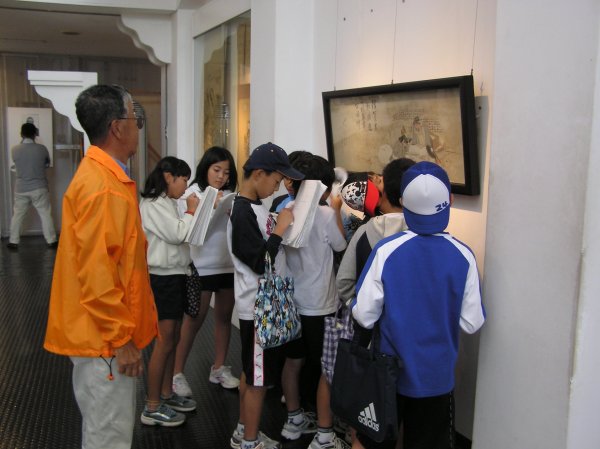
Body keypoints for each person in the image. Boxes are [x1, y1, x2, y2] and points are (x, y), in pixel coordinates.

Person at [43, 84, 158, 449]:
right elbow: (97, 277)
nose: (138, 126)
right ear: (117, 127)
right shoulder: (103, 188)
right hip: (105, 343)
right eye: (134, 118)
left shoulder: (105, 178)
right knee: (109, 436)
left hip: (101, 338)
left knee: (105, 430)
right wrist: (122, 340)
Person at [351, 161, 486, 449]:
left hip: (388, 373)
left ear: (402, 201)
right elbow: (472, 322)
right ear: (450, 200)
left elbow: (364, 315)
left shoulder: (386, 251)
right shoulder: (463, 255)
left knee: (371, 440)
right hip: (437, 377)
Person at [309, 158, 415, 449]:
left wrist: (360, 309)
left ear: (384, 194)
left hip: (365, 332)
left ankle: (340, 435)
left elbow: (344, 281)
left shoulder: (367, 231)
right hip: (407, 337)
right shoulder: (422, 235)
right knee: (398, 402)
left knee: (364, 398)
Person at [227, 142, 304, 449]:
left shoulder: (254, 207)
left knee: (252, 374)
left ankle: (243, 431)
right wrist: (279, 230)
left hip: (263, 306)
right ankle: (249, 442)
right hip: (259, 309)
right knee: (258, 381)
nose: (277, 187)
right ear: (259, 173)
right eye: (276, 180)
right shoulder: (242, 212)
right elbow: (260, 261)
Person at [278, 154, 347, 445]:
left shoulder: (286, 211)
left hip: (293, 302)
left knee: (293, 362)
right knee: (325, 368)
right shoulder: (327, 214)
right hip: (321, 305)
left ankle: (293, 419)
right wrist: (337, 210)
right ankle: (324, 430)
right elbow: (341, 245)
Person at [172, 146, 240, 397]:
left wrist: (232, 212)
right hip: (200, 265)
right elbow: (190, 232)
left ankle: (219, 368)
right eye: (216, 170)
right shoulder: (191, 194)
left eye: (226, 172)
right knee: (193, 321)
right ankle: (176, 373)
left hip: (227, 263)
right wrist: (211, 207)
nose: (221, 176)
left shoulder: (230, 195)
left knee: (224, 318)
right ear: (206, 169)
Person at [139, 156, 200, 427]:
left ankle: (165, 394)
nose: (185, 186)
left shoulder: (167, 203)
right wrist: (191, 212)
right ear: (168, 177)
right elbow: (177, 234)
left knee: (172, 338)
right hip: (161, 279)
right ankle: (152, 406)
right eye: (183, 179)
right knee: (164, 341)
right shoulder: (153, 204)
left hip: (174, 275)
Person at [7, 122, 58, 249]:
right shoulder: (42, 149)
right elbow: (47, 164)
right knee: (45, 214)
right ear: (35, 134)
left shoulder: (15, 149)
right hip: (39, 186)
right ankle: (51, 240)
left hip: (21, 188)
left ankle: (13, 241)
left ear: (21, 134)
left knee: (18, 215)